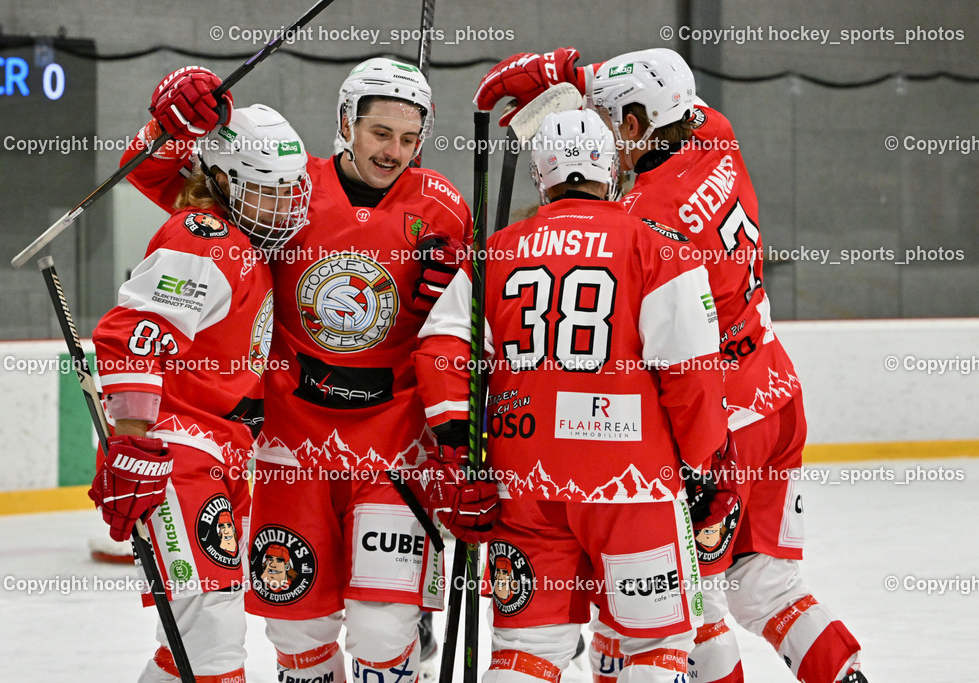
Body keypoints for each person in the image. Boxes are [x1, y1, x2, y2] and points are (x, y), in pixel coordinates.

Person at [474, 48, 866, 683]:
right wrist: (578, 79)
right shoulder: (716, 137)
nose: (602, 137)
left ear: (634, 125)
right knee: (767, 584)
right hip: (775, 393)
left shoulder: (639, 221)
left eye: (608, 122)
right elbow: (668, 97)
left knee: (690, 602)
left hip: (718, 421)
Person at [121, 59, 497, 683]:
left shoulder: (444, 207)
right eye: (380, 133)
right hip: (290, 447)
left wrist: (463, 280)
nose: (394, 152)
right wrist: (171, 123)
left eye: (409, 138)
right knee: (298, 628)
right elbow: (163, 179)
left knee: (383, 630)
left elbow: (466, 332)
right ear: (346, 123)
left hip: (396, 449)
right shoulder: (288, 185)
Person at [414, 108, 738, 683]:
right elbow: (690, 373)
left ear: (540, 174)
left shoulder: (495, 251)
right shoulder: (659, 247)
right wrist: (704, 464)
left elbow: (442, 351)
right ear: (610, 169)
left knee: (527, 649)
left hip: (524, 481)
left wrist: (459, 453)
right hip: (632, 483)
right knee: (657, 644)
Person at [89, 95, 312, 682]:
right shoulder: (205, 239)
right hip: (177, 456)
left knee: (189, 646)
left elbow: (148, 164)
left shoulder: (246, 239)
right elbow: (132, 334)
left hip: (220, 455)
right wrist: (132, 441)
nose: (285, 205)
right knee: (211, 642)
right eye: (268, 191)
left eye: (291, 189)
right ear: (222, 181)